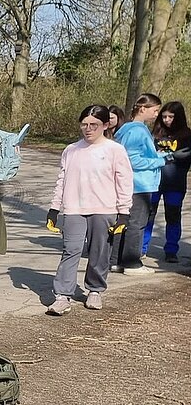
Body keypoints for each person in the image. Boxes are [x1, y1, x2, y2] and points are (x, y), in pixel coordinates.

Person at [46, 105, 133, 316]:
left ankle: (95, 289)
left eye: (93, 125)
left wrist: (124, 212)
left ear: (105, 125)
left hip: (104, 209)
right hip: (74, 208)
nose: (88, 129)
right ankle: (62, 295)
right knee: (71, 250)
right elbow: (62, 180)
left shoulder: (115, 150)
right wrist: (54, 208)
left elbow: (124, 181)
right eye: (84, 124)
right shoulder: (71, 150)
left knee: (99, 251)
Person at [112, 93, 165, 274]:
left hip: (133, 184)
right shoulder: (137, 131)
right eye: (155, 110)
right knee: (137, 224)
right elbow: (133, 161)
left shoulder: (128, 129)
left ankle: (117, 261)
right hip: (139, 184)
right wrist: (162, 161)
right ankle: (132, 263)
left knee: (126, 222)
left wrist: (160, 155)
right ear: (143, 108)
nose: (156, 114)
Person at [145, 102, 191, 262]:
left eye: (170, 117)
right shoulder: (155, 134)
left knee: (173, 217)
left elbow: (186, 157)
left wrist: (174, 156)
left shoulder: (187, 135)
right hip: (154, 182)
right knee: (148, 215)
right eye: (164, 116)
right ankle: (142, 249)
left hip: (175, 184)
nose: (166, 120)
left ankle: (171, 250)